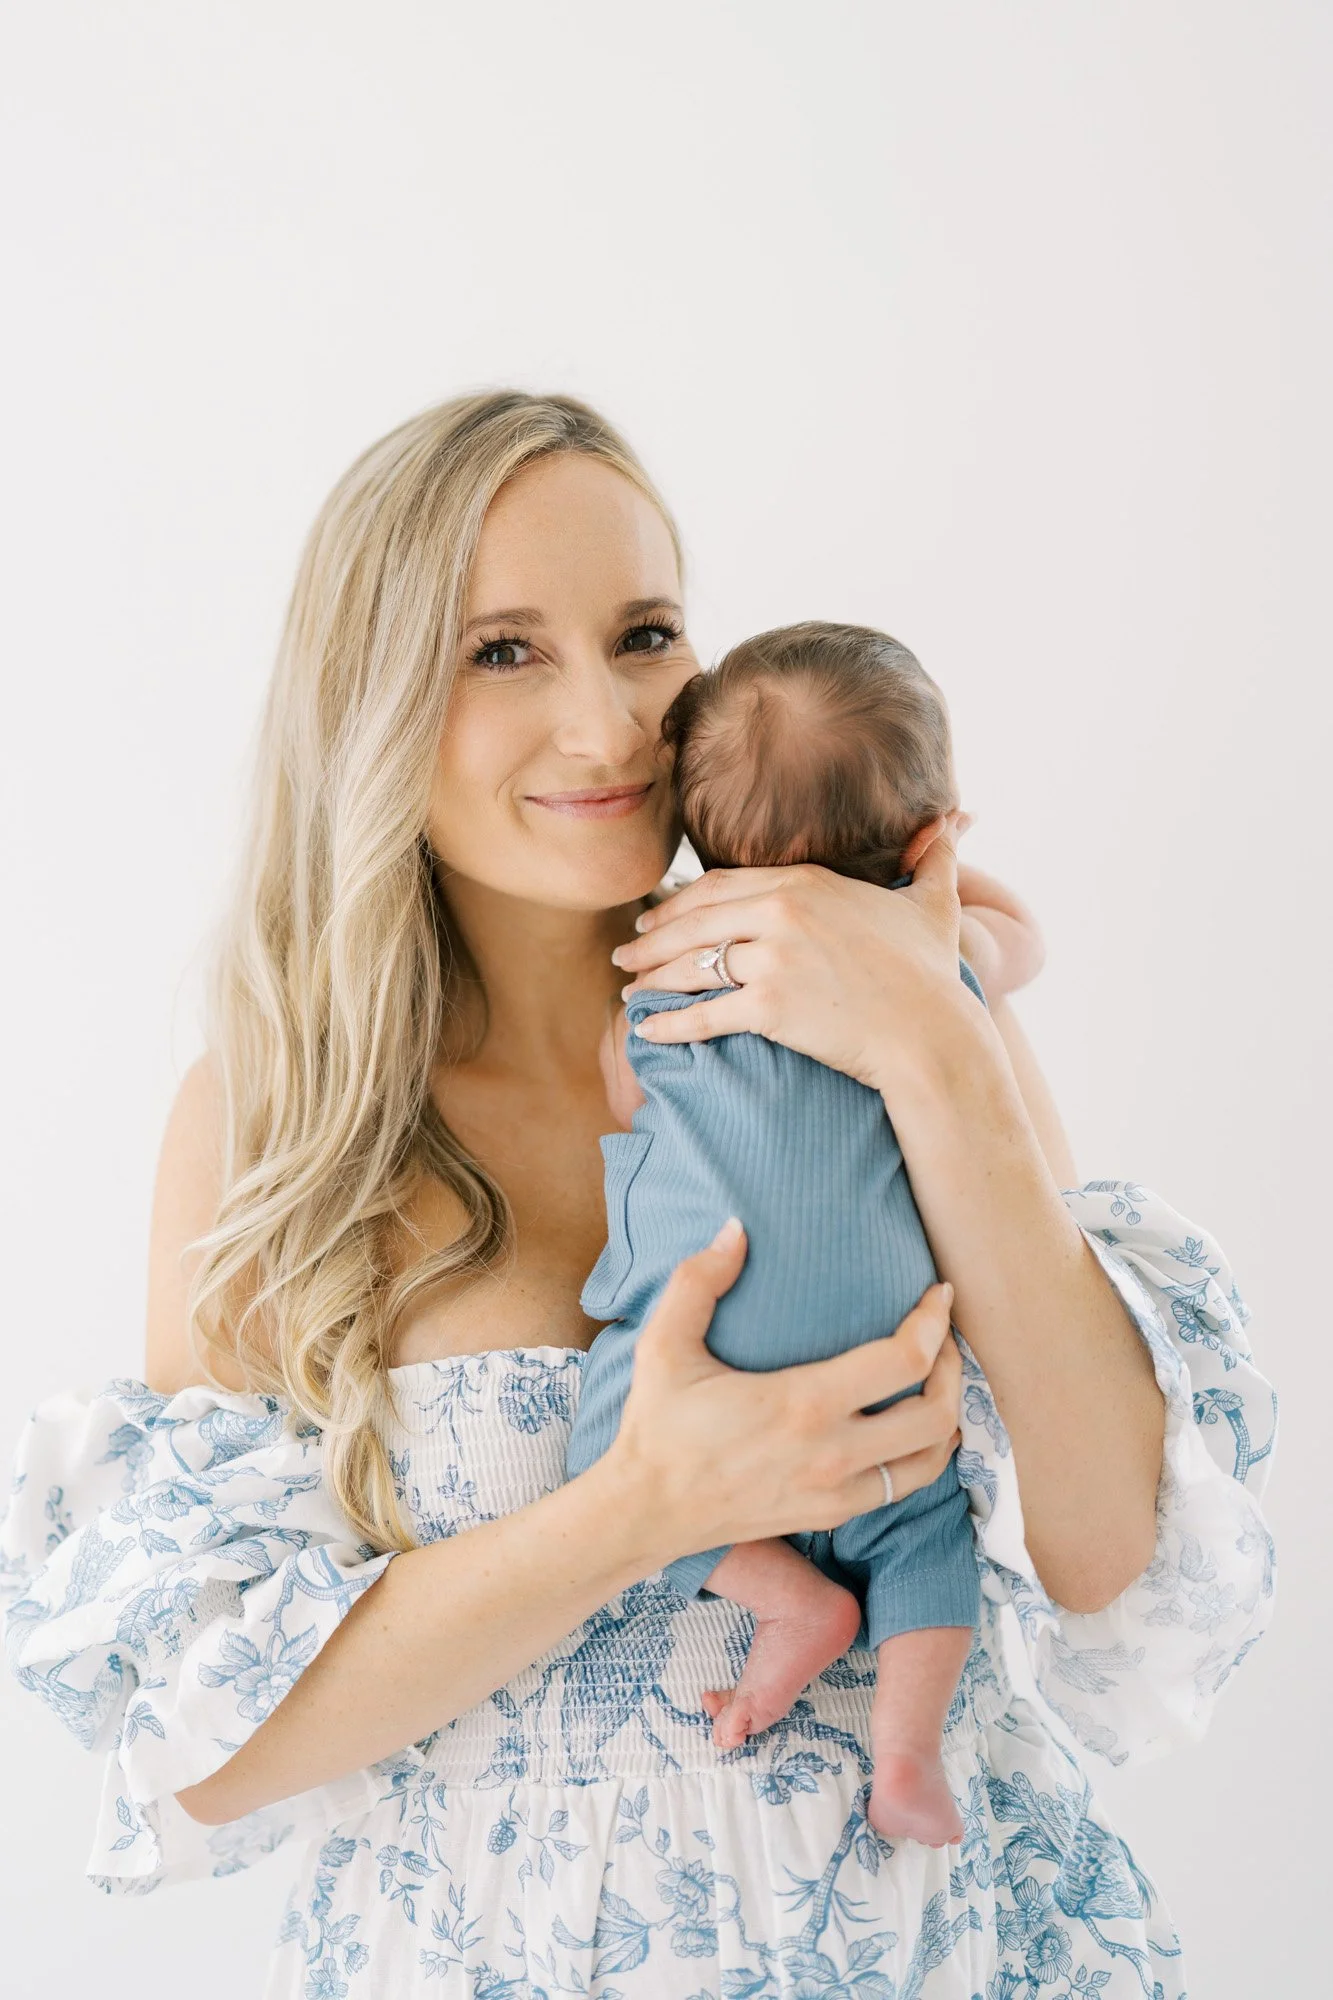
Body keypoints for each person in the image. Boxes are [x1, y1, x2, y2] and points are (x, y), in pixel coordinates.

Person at [0, 391, 1277, 2000]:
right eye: (502, 651)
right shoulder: (288, 1111)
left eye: (646, 633)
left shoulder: (883, 1006)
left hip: (924, 1950)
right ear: (372, 700)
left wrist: (940, 1052)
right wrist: (642, 1508)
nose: (608, 729)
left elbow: (1112, 1554)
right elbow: (205, 1743)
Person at [570, 622, 1009, 1849]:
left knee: (609, 1455)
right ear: (925, 840)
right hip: (887, 1339)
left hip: (707, 1324)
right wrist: (951, 904)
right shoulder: (926, 980)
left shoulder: (662, 966)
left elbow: (624, 1085)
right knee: (924, 1524)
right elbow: (1005, 949)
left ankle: (786, 1603)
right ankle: (907, 1752)